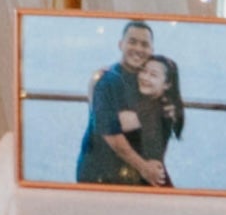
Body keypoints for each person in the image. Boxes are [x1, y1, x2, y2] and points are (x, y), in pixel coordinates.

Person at [70, 20, 179, 185]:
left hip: (132, 171)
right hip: (100, 172)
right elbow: (111, 133)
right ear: (121, 44)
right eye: (132, 42)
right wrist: (144, 167)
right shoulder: (108, 80)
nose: (138, 49)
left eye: (144, 44)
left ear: (151, 50)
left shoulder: (145, 81)